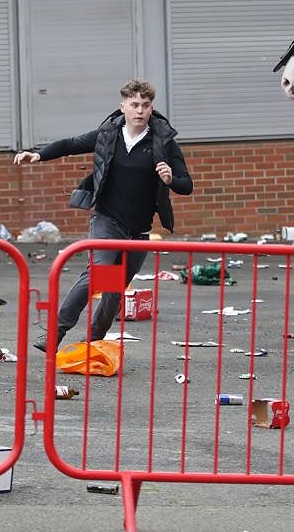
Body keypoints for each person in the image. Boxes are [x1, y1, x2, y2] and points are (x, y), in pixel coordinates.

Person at [14, 79, 193, 352]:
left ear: (151, 108)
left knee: (113, 289)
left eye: (145, 105)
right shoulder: (108, 135)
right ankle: (55, 334)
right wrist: (39, 155)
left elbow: (186, 184)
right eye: (134, 104)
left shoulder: (163, 142)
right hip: (107, 221)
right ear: (123, 107)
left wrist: (171, 180)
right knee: (97, 274)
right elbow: (71, 144)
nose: (140, 110)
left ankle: (94, 342)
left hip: (138, 232)